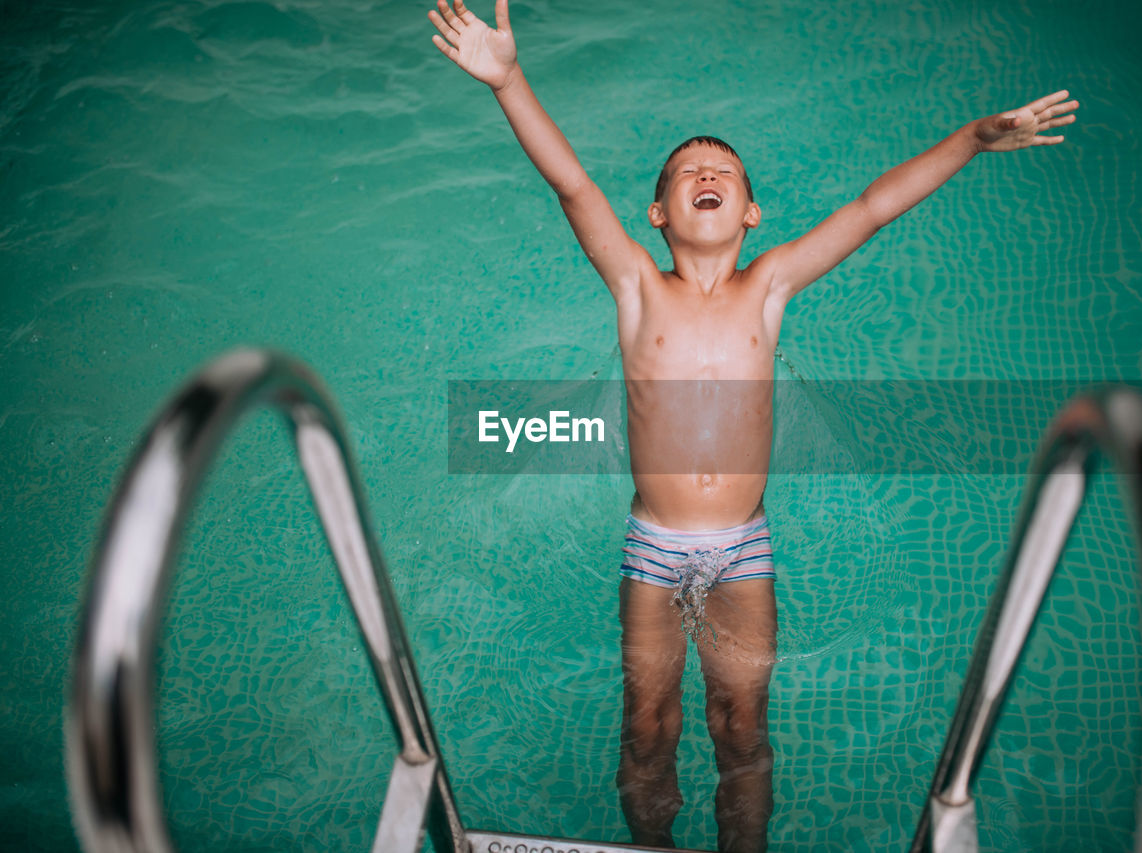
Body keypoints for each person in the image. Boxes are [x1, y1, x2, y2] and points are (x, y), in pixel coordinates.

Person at [428, 2, 1078, 850]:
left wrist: (970, 140)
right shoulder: (636, 288)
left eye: (724, 172)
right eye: (688, 171)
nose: (707, 174)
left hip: (744, 546)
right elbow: (573, 184)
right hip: (654, 545)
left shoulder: (769, 288)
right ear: (658, 214)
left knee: (742, 726)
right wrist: (509, 79)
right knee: (647, 727)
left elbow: (872, 207)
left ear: (752, 214)